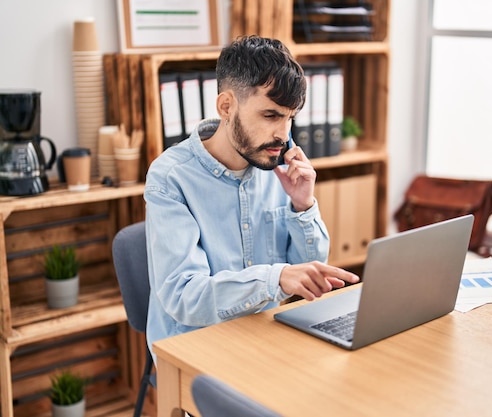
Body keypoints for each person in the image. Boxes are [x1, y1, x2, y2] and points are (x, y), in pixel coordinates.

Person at [144, 35, 360, 362]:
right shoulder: (170, 178)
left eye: (290, 118)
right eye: (271, 116)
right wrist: (275, 278)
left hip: (265, 334)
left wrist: (303, 205)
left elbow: (309, 273)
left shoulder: (276, 165)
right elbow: (184, 296)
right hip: (196, 349)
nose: (283, 135)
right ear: (226, 107)